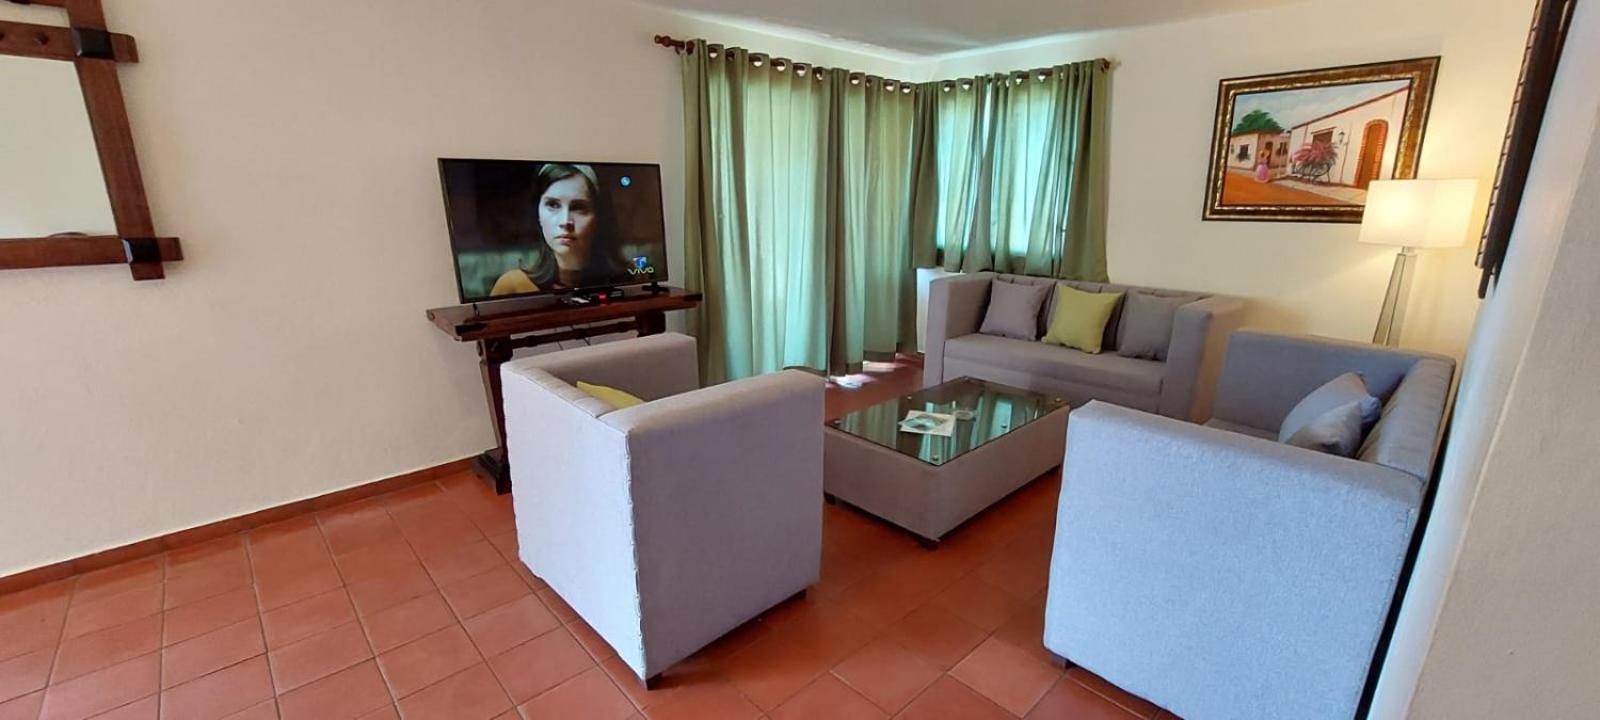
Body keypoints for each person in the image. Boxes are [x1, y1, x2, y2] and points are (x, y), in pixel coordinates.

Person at [490, 163, 627, 296]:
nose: (565, 221)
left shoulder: (627, 281)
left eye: (578, 207)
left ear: (599, 216)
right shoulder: (513, 286)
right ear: (538, 213)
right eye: (553, 205)